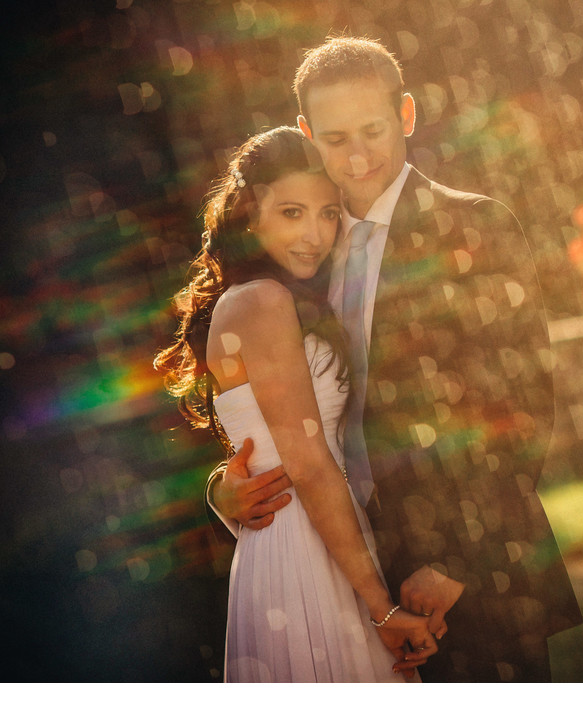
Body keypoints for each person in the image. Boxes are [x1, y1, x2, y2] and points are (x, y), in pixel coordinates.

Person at [206, 36, 583, 682]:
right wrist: (222, 490)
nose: (356, 158)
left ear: (406, 116)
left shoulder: (476, 229)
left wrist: (458, 560)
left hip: (469, 577)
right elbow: (263, 414)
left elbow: (522, 410)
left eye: (374, 131)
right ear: (306, 134)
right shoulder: (297, 261)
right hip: (343, 577)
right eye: (334, 138)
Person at [155, 126, 437, 682]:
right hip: (304, 549)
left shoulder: (286, 297)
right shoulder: (262, 300)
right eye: (291, 213)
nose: (314, 234)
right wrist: (380, 608)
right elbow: (307, 465)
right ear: (249, 215)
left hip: (328, 537)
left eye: (328, 214)